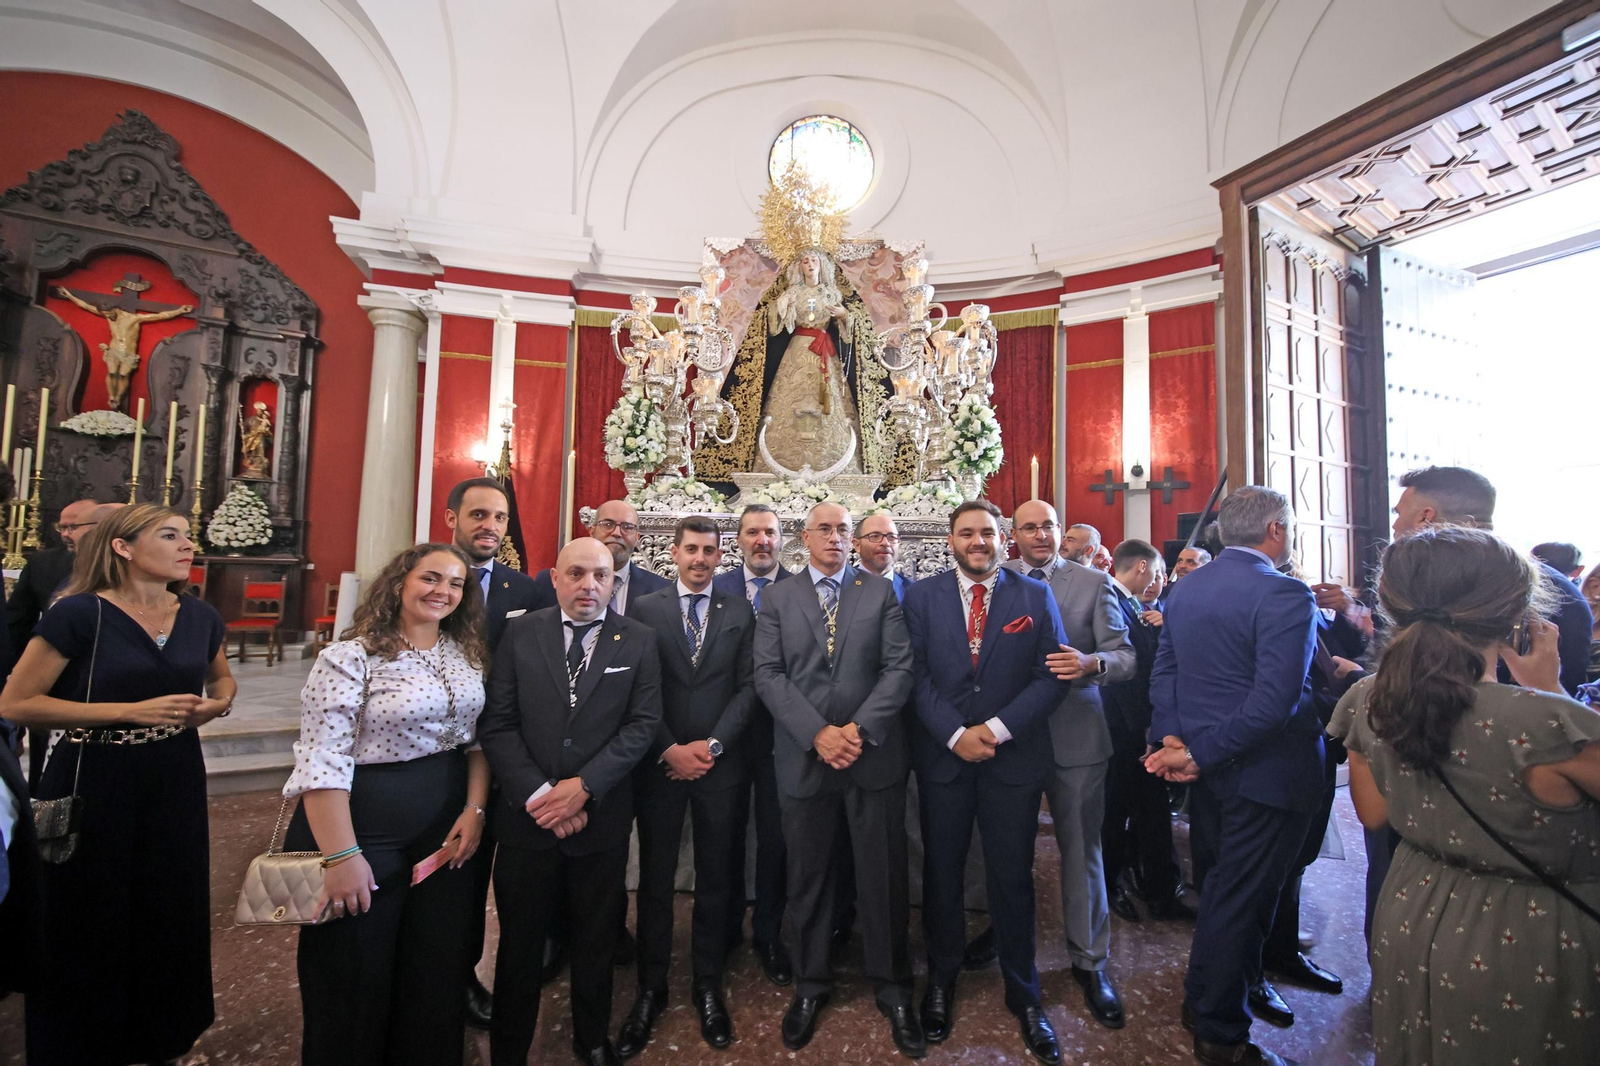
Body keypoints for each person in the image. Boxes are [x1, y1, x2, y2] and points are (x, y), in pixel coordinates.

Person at [1330, 525, 1600, 1065]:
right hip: (1532, 932)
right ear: (1516, 618)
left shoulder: (1366, 698)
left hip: (1413, 908)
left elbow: (1375, 813)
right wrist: (1552, 691)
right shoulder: (1548, 720)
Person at [0, 504, 236, 1064]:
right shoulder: (78, 614)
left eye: (188, 536)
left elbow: (221, 676)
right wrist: (127, 712)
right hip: (94, 775)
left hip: (174, 774)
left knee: (167, 904)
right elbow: (16, 702)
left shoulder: (199, 616)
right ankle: (81, 1042)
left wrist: (218, 706)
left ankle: (158, 1035)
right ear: (122, 548)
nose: (187, 545)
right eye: (169, 535)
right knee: (87, 913)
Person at [282, 542, 489, 1065]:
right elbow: (322, 760)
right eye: (430, 578)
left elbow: (477, 742)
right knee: (354, 968)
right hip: (363, 823)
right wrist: (341, 856)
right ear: (400, 582)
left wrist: (475, 808)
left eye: (456, 583)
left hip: (444, 826)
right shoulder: (349, 656)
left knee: (433, 963)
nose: (443, 591)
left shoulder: (464, 653)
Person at [1145, 486, 1318, 1066]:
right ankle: (1221, 1036)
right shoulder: (1285, 592)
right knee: (1241, 901)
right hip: (1264, 772)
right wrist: (1197, 753)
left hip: (1210, 770)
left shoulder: (1188, 586)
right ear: (1275, 530)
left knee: (1222, 890)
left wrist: (1173, 737)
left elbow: (1164, 669)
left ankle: (1205, 999)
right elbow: (1276, 703)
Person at [478, 537, 663, 1066]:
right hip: (526, 820)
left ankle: (592, 1040)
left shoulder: (639, 640)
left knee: (595, 939)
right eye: (577, 574)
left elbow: (642, 725)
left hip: (598, 818)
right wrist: (541, 796)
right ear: (554, 578)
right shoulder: (518, 633)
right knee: (520, 944)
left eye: (600, 575)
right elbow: (498, 721)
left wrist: (582, 789)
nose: (589, 585)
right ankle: (509, 1050)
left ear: (613, 580)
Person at [753, 502, 922, 1057]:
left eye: (843, 529)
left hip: (871, 757)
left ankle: (895, 988)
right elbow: (769, 675)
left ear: (854, 539)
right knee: (809, 876)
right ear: (804, 538)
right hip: (805, 758)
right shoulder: (777, 597)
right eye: (823, 528)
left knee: (883, 876)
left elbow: (900, 668)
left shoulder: (879, 592)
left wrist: (857, 730)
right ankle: (810, 983)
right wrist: (817, 733)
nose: (834, 536)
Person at [902, 500, 1068, 1063]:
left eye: (988, 533)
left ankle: (1025, 993)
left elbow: (1051, 676)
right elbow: (914, 675)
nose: (978, 541)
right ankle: (941, 981)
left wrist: (994, 730)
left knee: (1011, 878)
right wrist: (954, 734)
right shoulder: (921, 597)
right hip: (944, 758)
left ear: (1005, 540)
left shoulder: (1034, 596)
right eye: (967, 533)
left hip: (1012, 760)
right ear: (951, 540)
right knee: (942, 874)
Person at [618, 516, 756, 1055]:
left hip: (720, 766)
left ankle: (707, 984)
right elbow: (636, 689)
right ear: (672, 553)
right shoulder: (645, 610)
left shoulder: (738, 610)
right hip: (661, 764)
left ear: (720, 557)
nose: (700, 559)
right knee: (654, 879)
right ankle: (650, 989)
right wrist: (670, 748)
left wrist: (714, 746)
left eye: (709, 551)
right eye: (691, 549)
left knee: (717, 878)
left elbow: (748, 689)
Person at [1004, 499, 1136, 1029]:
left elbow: (1125, 656)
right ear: (1012, 535)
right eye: (1029, 527)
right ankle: (1004, 937)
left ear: (1062, 532)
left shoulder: (1091, 583)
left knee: (1082, 851)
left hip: (1076, 738)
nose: (1040, 534)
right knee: (1006, 851)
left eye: (1049, 526)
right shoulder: (997, 574)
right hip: (1011, 736)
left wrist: (1092, 663)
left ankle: (1089, 961)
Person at [444, 475, 539, 1028]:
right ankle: (439, 976)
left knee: (483, 872)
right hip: (439, 749)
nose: (490, 527)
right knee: (447, 873)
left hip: (503, 753)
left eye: (499, 518)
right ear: (452, 517)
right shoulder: (427, 575)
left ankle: (469, 974)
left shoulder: (522, 590)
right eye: (479, 515)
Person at [1392, 465, 1593, 695]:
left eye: (1398, 514)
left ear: (1425, 517)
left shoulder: (1409, 585)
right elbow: (1568, 710)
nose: (1395, 525)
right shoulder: (1561, 590)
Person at [714, 503, 794, 986]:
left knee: (774, 839)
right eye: (752, 533)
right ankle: (722, 928)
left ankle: (768, 931)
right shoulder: (716, 586)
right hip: (724, 733)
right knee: (722, 835)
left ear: (784, 540)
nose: (761, 540)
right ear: (738, 539)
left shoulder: (800, 590)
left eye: (770, 532)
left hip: (778, 735)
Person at [1101, 538, 1194, 922]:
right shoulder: (1110, 600)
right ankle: (1109, 890)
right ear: (1142, 567)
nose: (1159, 580)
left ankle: (1158, 889)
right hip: (1123, 733)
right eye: (1156, 572)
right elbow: (1123, 676)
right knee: (1113, 813)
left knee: (1150, 812)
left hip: (1143, 731)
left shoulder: (1137, 606)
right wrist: (1142, 730)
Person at [6, 497, 101, 788]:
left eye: (74, 527)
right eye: (62, 527)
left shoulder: (126, 566)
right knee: (44, 768)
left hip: (100, 682)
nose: (66, 533)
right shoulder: (43, 562)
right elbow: (16, 623)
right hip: (48, 678)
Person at [533, 499, 670, 617]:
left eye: (627, 527)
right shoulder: (549, 583)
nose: (616, 533)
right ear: (592, 531)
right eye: (608, 524)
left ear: (637, 538)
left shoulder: (660, 590)